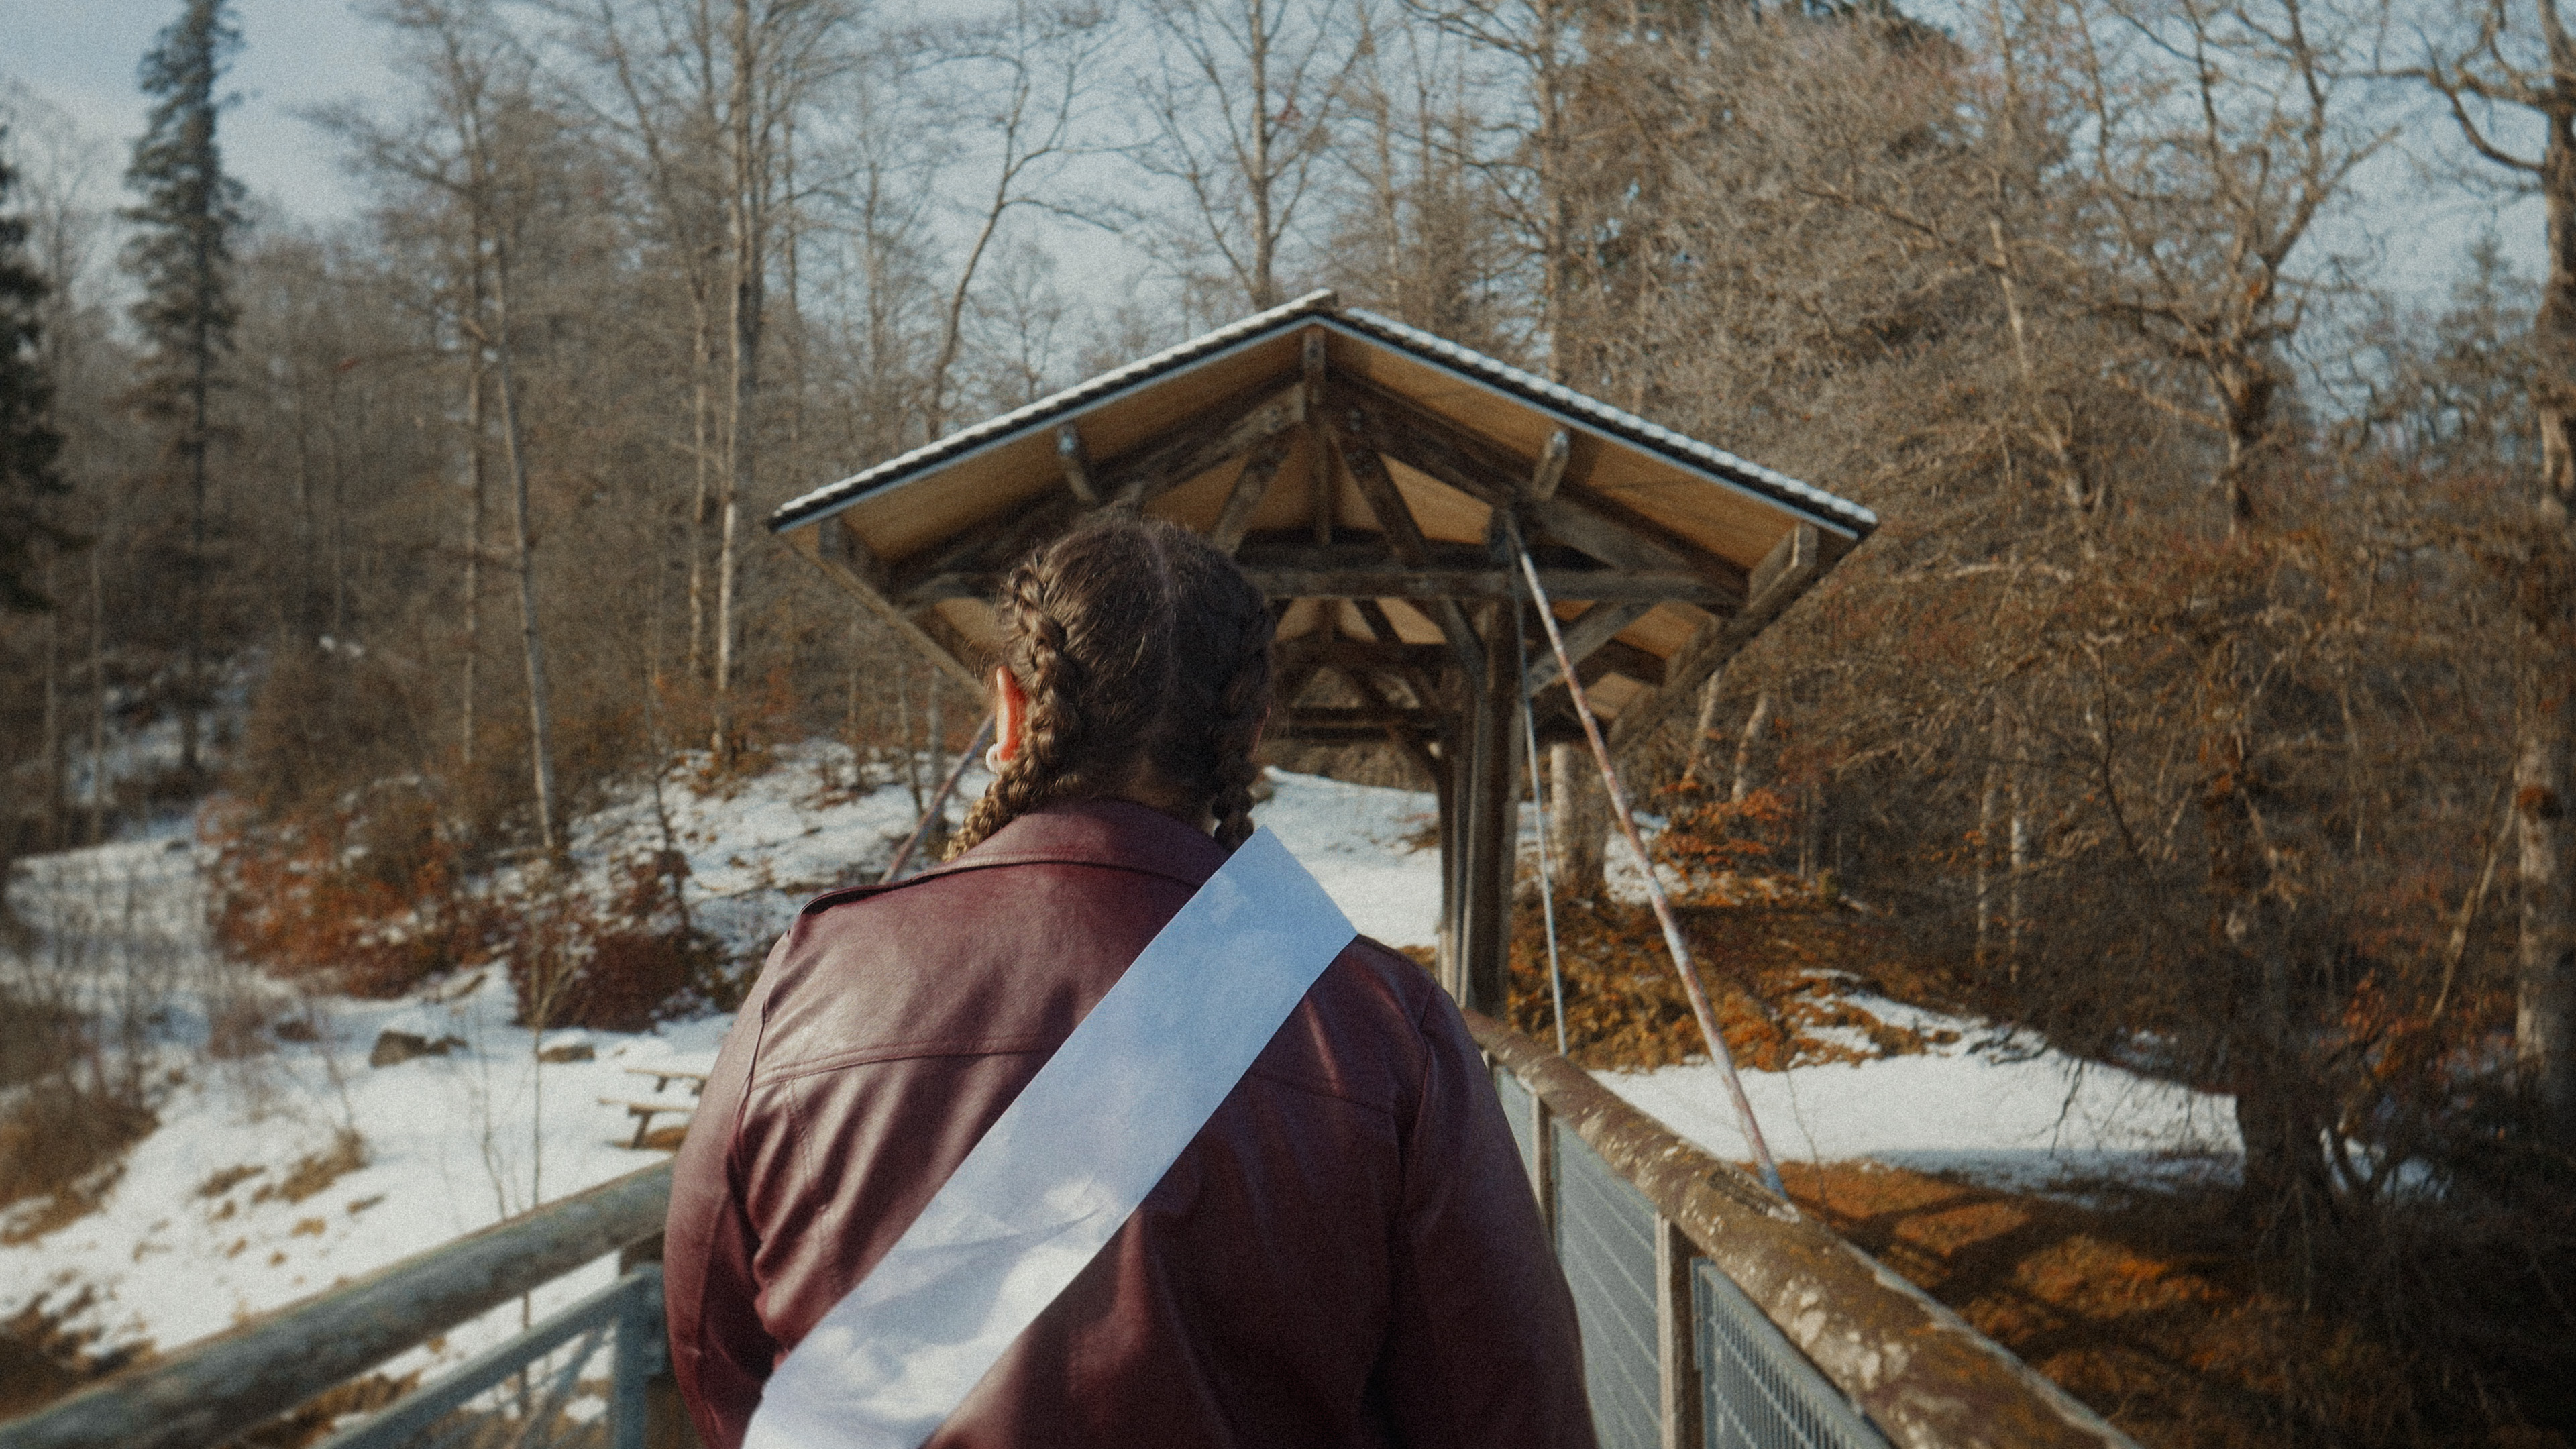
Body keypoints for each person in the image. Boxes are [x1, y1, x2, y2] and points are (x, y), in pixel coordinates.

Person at [665, 514, 1595, 1448]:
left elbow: (719, 1361)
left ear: (1011, 711)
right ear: (1248, 737)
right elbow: (1510, 1411)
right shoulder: (1384, 1026)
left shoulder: (814, 977)